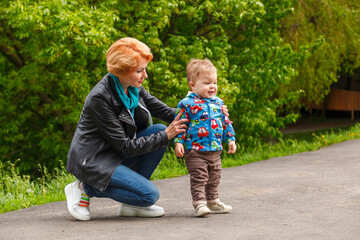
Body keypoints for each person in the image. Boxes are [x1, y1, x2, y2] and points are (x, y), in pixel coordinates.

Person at [64, 37, 188, 221]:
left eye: (144, 69)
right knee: (149, 195)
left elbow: (168, 113)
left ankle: (132, 205)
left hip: (115, 151)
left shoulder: (133, 89)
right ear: (121, 70)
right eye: (139, 71)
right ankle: (85, 187)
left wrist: (202, 111)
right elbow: (125, 147)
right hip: (95, 160)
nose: (145, 75)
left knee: (158, 130)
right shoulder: (100, 98)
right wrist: (166, 135)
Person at [174, 59, 237, 217]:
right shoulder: (187, 104)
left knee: (215, 176)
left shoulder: (218, 103)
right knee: (199, 176)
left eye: (214, 82)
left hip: (214, 149)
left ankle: (213, 201)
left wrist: (231, 139)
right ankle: (199, 204)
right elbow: (180, 125)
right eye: (207, 82)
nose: (212, 86)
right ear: (193, 86)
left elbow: (225, 122)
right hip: (195, 150)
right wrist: (178, 142)